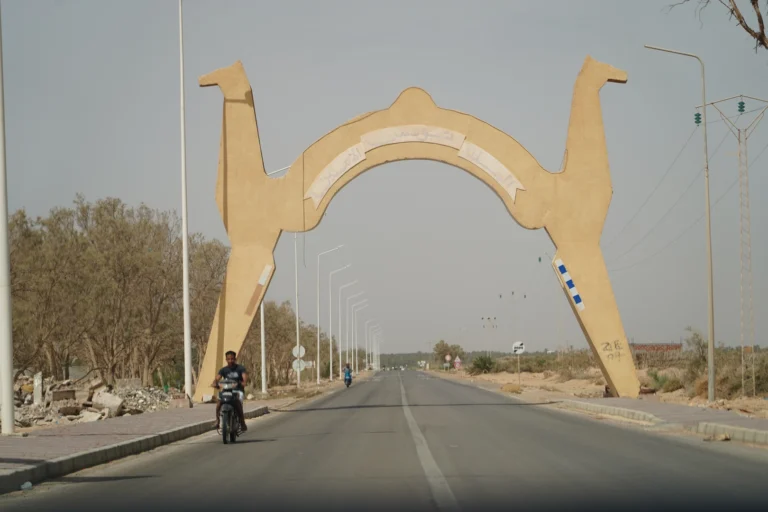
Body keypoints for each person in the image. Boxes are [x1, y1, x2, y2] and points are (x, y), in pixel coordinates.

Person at [212, 350, 248, 432]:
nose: (230, 361)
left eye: (232, 359)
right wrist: (215, 383)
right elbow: (217, 378)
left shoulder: (240, 368)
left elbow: (244, 379)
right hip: (226, 391)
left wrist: (242, 383)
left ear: (235, 359)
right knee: (219, 403)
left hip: (237, 391)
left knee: (238, 403)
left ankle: (242, 423)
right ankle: (217, 421)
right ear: (226, 359)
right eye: (228, 359)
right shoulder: (223, 370)